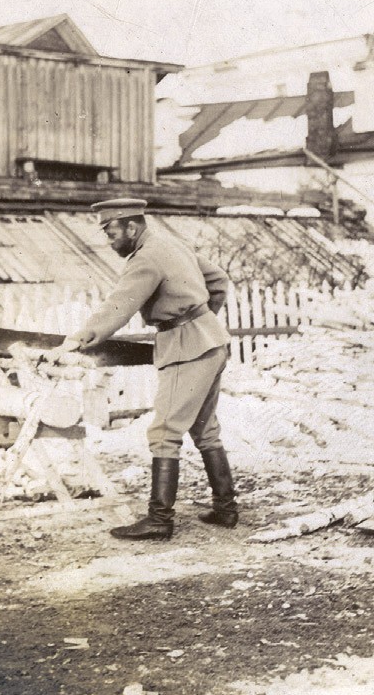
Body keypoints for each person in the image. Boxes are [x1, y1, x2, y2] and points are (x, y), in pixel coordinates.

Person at [51, 198, 238, 541]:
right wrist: (201, 316)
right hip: (211, 341)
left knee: (164, 432)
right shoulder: (171, 243)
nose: (109, 242)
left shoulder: (146, 257)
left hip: (187, 347)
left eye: (111, 233)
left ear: (132, 227)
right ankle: (226, 509)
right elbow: (219, 279)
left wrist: (83, 337)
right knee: (204, 428)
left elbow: (119, 305)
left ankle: (159, 520)